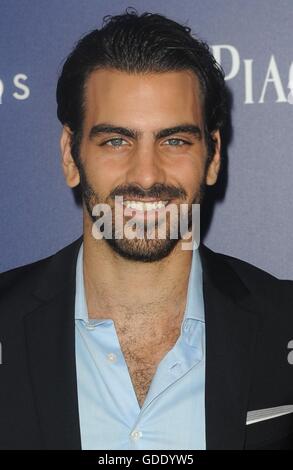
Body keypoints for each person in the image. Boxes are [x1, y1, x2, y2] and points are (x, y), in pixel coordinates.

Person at [0, 9, 292, 450]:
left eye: (174, 140)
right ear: (69, 154)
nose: (147, 174)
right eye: (116, 140)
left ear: (213, 156)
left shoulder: (283, 321)